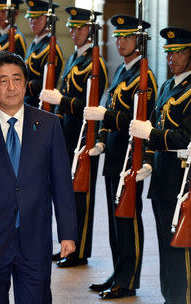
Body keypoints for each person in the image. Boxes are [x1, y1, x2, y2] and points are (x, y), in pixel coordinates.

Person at [0, 51, 77, 303]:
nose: (12, 88)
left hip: (35, 238)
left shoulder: (49, 124)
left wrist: (68, 233)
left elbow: (62, 184)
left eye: (17, 79)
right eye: (3, 80)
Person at [84, 15, 157, 299]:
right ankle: (118, 272)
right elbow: (112, 109)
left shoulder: (144, 76)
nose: (120, 41)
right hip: (113, 153)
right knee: (116, 220)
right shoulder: (121, 72)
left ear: (138, 41)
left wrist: (107, 117)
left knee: (128, 219)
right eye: (118, 36)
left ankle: (129, 279)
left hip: (130, 155)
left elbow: (138, 119)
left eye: (126, 37)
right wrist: (101, 141)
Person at [40, 6, 108, 267]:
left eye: (77, 27)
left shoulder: (95, 62)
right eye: (71, 27)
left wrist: (62, 101)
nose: (72, 31)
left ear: (89, 30)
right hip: (66, 133)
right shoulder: (74, 58)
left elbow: (88, 106)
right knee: (66, 195)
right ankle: (68, 245)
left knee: (82, 198)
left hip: (83, 136)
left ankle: (79, 251)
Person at [129, 26, 191, 304]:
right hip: (162, 181)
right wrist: (147, 162)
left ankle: (182, 298)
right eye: (168, 53)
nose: (172, 58)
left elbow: (184, 137)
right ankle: (170, 297)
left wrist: (150, 135)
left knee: (181, 247)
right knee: (166, 246)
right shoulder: (167, 86)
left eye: (178, 52)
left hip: (182, 182)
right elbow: (154, 125)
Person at [24, 0, 64, 109]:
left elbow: (46, 84)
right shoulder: (35, 43)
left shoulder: (51, 48)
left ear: (48, 20)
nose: (33, 21)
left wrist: (19, 85)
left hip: (39, 107)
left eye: (37, 18)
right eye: (31, 17)